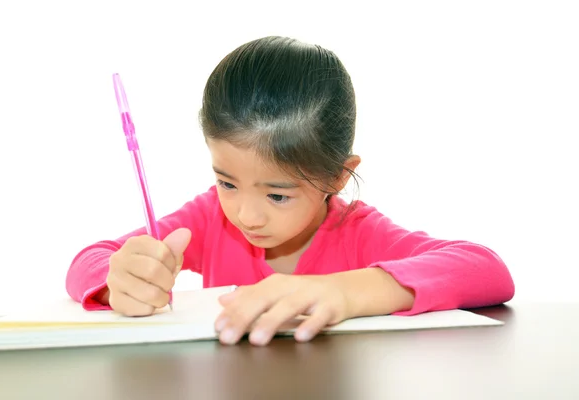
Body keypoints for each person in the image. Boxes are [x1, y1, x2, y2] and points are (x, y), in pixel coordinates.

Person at [66, 36, 515, 346]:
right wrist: (117, 280)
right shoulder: (209, 217)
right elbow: (90, 259)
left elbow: (487, 270)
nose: (246, 215)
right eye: (227, 182)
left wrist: (346, 292)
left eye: (277, 194)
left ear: (338, 176)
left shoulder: (357, 232)